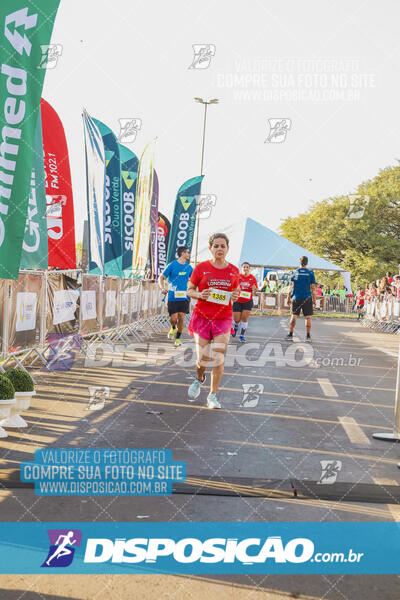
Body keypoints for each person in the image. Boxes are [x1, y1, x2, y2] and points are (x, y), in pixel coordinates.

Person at [186, 233, 240, 409]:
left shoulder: (233, 270)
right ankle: (200, 377)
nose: (219, 249)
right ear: (210, 248)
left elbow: (236, 291)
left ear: (227, 249)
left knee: (218, 357)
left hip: (223, 317)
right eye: (216, 246)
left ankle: (213, 395)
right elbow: (189, 290)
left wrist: (235, 295)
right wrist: (199, 294)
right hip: (202, 316)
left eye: (222, 246)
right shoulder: (201, 268)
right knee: (203, 358)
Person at [158, 246, 192, 347]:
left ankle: (177, 339)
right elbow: (161, 277)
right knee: (173, 318)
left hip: (184, 297)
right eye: (188, 252)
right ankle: (173, 328)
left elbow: (195, 280)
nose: (189, 254)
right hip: (173, 295)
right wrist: (162, 288)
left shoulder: (189, 267)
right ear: (182, 253)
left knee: (181, 317)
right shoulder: (172, 265)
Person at [286, 256, 316, 342]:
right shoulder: (310, 273)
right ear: (307, 263)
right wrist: (314, 300)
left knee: (294, 316)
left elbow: (291, 287)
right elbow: (313, 288)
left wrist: (288, 297)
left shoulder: (295, 272)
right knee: (308, 317)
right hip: (307, 298)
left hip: (296, 297)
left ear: (299, 262)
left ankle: (290, 335)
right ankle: (308, 336)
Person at [232, 262, 258, 342]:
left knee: (244, 319)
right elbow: (232, 288)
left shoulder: (252, 278)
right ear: (241, 268)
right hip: (237, 300)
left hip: (247, 301)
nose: (245, 268)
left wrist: (254, 289)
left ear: (249, 269)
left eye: (247, 267)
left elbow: (255, 291)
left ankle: (242, 336)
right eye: (244, 267)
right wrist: (236, 288)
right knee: (236, 319)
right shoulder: (237, 277)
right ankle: (236, 326)